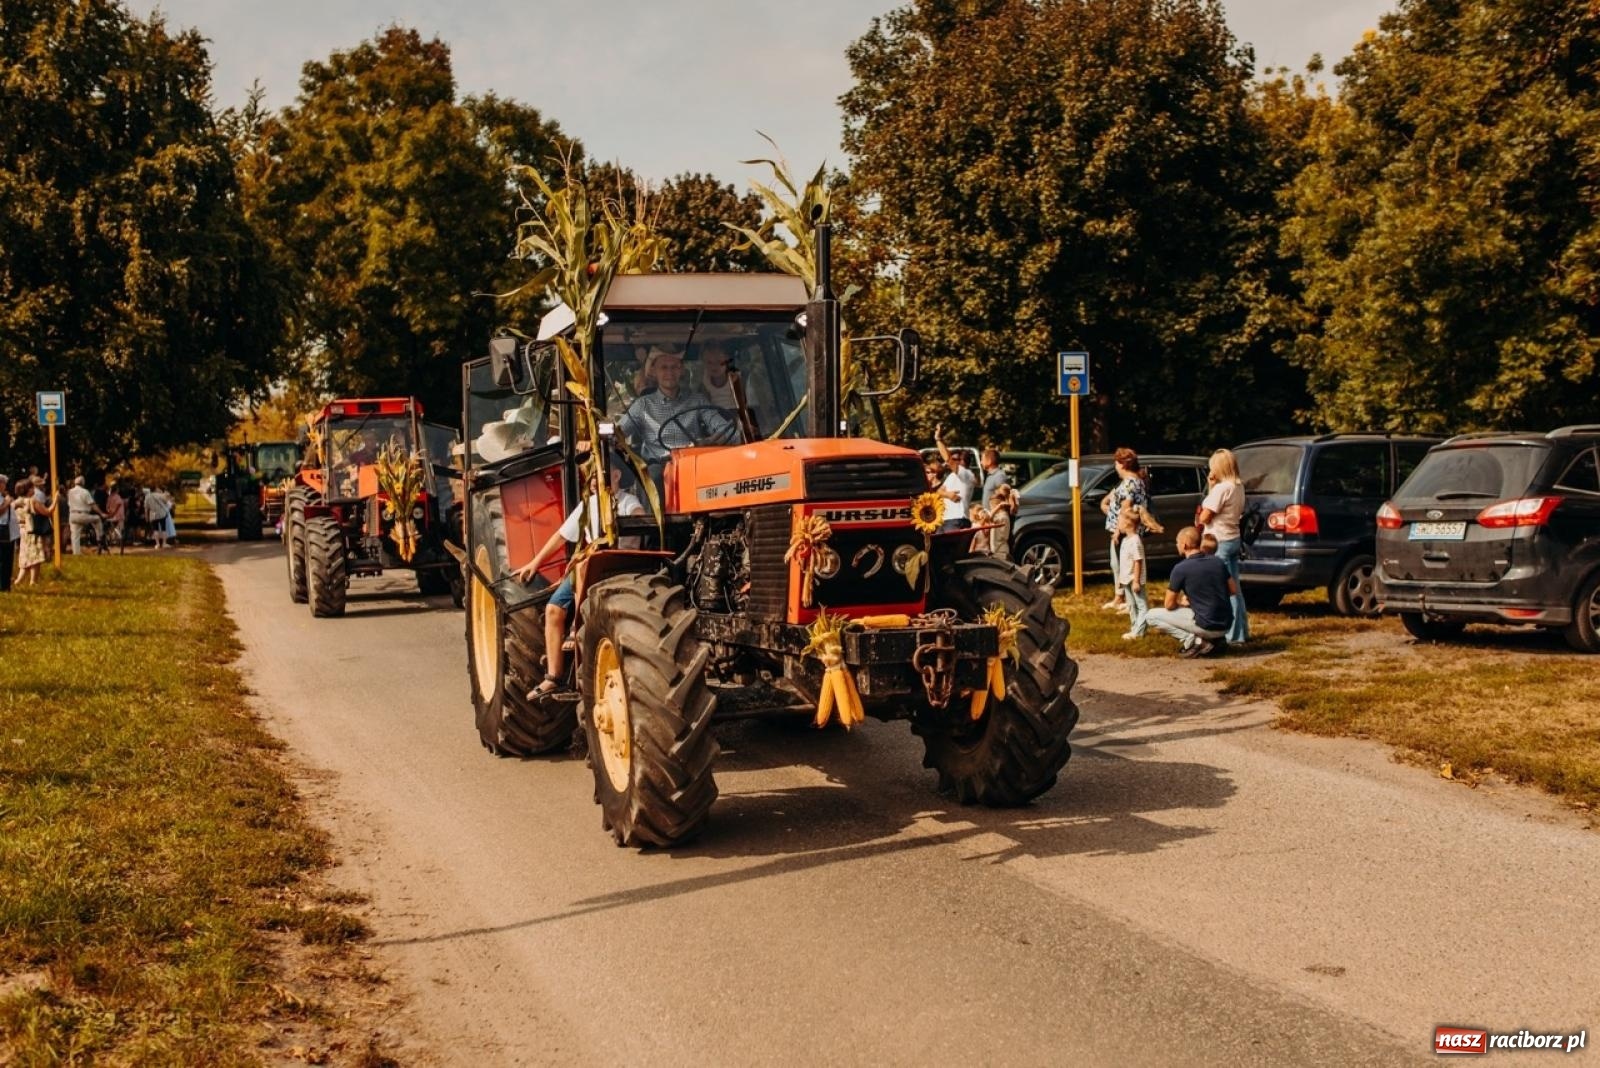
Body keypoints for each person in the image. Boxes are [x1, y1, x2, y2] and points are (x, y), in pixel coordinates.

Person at [512, 464, 645, 696]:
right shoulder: (588, 505)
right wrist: (535, 563)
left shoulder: (628, 502)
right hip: (590, 564)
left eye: (598, 473)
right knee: (553, 609)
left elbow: (639, 517)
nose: (593, 480)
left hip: (620, 563)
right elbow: (561, 536)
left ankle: (577, 627)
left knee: (584, 568)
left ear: (616, 475)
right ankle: (553, 677)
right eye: (590, 475)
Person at [617, 348, 738, 475]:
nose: (670, 372)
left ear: (681, 370)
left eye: (674, 367)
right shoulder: (643, 405)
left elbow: (728, 429)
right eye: (664, 367)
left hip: (694, 463)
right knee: (653, 474)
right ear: (654, 371)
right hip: (659, 467)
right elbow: (617, 434)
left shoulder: (697, 400)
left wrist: (709, 441)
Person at [1143, 526, 1236, 658]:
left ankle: (1196, 642)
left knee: (1150, 616)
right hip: (1226, 625)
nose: (1176, 545)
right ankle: (1217, 641)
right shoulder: (1218, 562)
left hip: (1206, 626)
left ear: (1185, 544)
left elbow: (1169, 604)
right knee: (1200, 611)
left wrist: (1183, 605)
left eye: (1177, 542)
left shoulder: (1180, 569)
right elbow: (1233, 590)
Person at [1197, 447, 1249, 646]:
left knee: (1224, 589)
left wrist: (1212, 488)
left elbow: (1205, 516)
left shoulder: (1222, 489)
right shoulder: (1238, 486)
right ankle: (1242, 631)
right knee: (1235, 587)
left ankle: (1232, 636)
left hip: (1219, 540)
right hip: (1233, 537)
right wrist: (1212, 486)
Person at [1099, 448, 1150, 611]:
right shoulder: (1133, 481)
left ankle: (1131, 602)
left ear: (1122, 464)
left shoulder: (1129, 483)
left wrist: (1117, 531)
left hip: (1125, 532)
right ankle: (1123, 598)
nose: (1115, 466)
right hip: (1124, 530)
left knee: (1126, 566)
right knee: (1119, 565)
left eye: (1116, 463)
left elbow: (1125, 509)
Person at [934, 424, 978, 532]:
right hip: (945, 520)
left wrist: (939, 439)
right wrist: (947, 494)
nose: (951, 462)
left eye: (955, 459)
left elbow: (947, 459)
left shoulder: (967, 474)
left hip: (957, 519)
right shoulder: (952, 476)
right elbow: (938, 492)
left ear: (962, 461)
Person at [15, 478, 56, 587]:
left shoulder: (16, 502)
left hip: (22, 531)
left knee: (25, 555)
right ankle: (33, 581)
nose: (34, 489)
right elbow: (47, 512)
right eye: (32, 487)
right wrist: (55, 499)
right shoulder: (32, 501)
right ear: (28, 489)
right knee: (35, 556)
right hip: (32, 531)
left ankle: (18, 580)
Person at [1117, 505, 1149, 640]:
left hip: (1134, 580)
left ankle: (1140, 631)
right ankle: (1134, 627)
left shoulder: (1135, 541)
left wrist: (1136, 581)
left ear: (1127, 523)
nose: (1117, 524)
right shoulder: (1125, 540)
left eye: (1119, 521)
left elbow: (1138, 561)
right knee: (1131, 605)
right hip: (1126, 579)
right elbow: (1125, 562)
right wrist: (1121, 579)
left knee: (1141, 605)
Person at [66, 476, 102, 555]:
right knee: (97, 518)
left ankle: (76, 553)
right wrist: (101, 513)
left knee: (75, 535)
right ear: (83, 483)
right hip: (82, 515)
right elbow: (92, 505)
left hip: (72, 515)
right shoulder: (85, 492)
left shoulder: (70, 492)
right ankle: (100, 538)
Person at [986, 482, 1019, 562]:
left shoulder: (1002, 515)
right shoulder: (1004, 512)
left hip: (1000, 546)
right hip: (1001, 544)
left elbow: (989, 518)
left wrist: (998, 506)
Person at [0, 474, 17, 592]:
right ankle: (3, 585)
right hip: (2, 529)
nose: (5, 485)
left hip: (8, 531)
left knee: (8, 560)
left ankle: (6, 585)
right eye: (3, 483)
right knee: (3, 559)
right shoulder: (3, 498)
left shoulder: (3, 496)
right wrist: (7, 502)